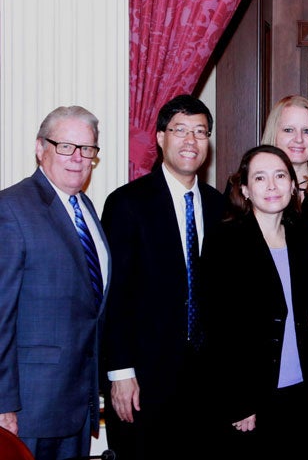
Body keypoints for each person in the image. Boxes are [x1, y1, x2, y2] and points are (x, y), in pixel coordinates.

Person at [101, 95, 227, 460]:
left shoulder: (220, 205)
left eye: (200, 132)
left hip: (205, 381)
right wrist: (119, 372)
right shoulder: (127, 203)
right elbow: (115, 295)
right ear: (160, 138)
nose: (191, 141)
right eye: (180, 131)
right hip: (144, 378)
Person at [0, 106, 110, 460]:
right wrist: (3, 405)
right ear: (40, 148)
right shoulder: (12, 208)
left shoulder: (87, 210)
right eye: (65, 146)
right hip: (29, 410)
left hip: (77, 406)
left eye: (87, 149)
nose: (77, 158)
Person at [200, 145, 308, 459]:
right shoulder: (224, 241)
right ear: (246, 190)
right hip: (252, 398)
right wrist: (238, 402)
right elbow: (215, 329)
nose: (272, 186)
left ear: (293, 185)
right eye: (260, 178)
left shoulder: (306, 236)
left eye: (280, 176)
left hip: (304, 391)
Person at [259, 95, 308, 201]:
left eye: (307, 131)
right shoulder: (244, 186)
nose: (299, 139)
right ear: (273, 134)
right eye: (289, 130)